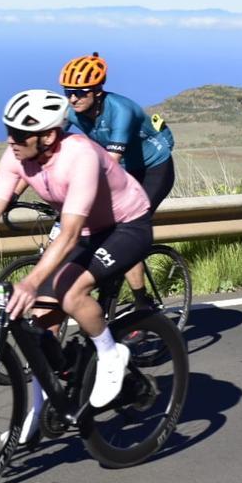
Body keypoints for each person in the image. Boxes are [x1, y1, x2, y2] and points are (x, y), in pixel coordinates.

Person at [0, 89, 152, 423]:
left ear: (48, 136)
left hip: (125, 225)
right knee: (41, 319)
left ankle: (110, 354)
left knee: (70, 292)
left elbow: (71, 232)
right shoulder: (16, 157)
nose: (10, 141)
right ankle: (43, 402)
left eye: (18, 134)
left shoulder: (80, 156)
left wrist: (31, 281)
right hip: (86, 230)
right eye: (7, 131)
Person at [61, 53, 175, 310]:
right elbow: (46, 148)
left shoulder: (122, 111)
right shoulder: (72, 110)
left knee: (127, 227)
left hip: (153, 169)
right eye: (69, 92)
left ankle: (142, 302)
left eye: (80, 92)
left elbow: (110, 163)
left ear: (97, 92)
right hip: (123, 172)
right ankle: (109, 283)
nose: (73, 98)